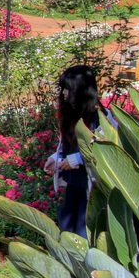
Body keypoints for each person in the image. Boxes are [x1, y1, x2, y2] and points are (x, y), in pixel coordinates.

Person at [44, 65, 108, 238]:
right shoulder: (71, 115)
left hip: (91, 185)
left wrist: (76, 160)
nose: (63, 93)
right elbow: (66, 145)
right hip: (74, 183)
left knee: (83, 230)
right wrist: (56, 159)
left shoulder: (100, 117)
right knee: (67, 227)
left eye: (67, 88)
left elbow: (104, 149)